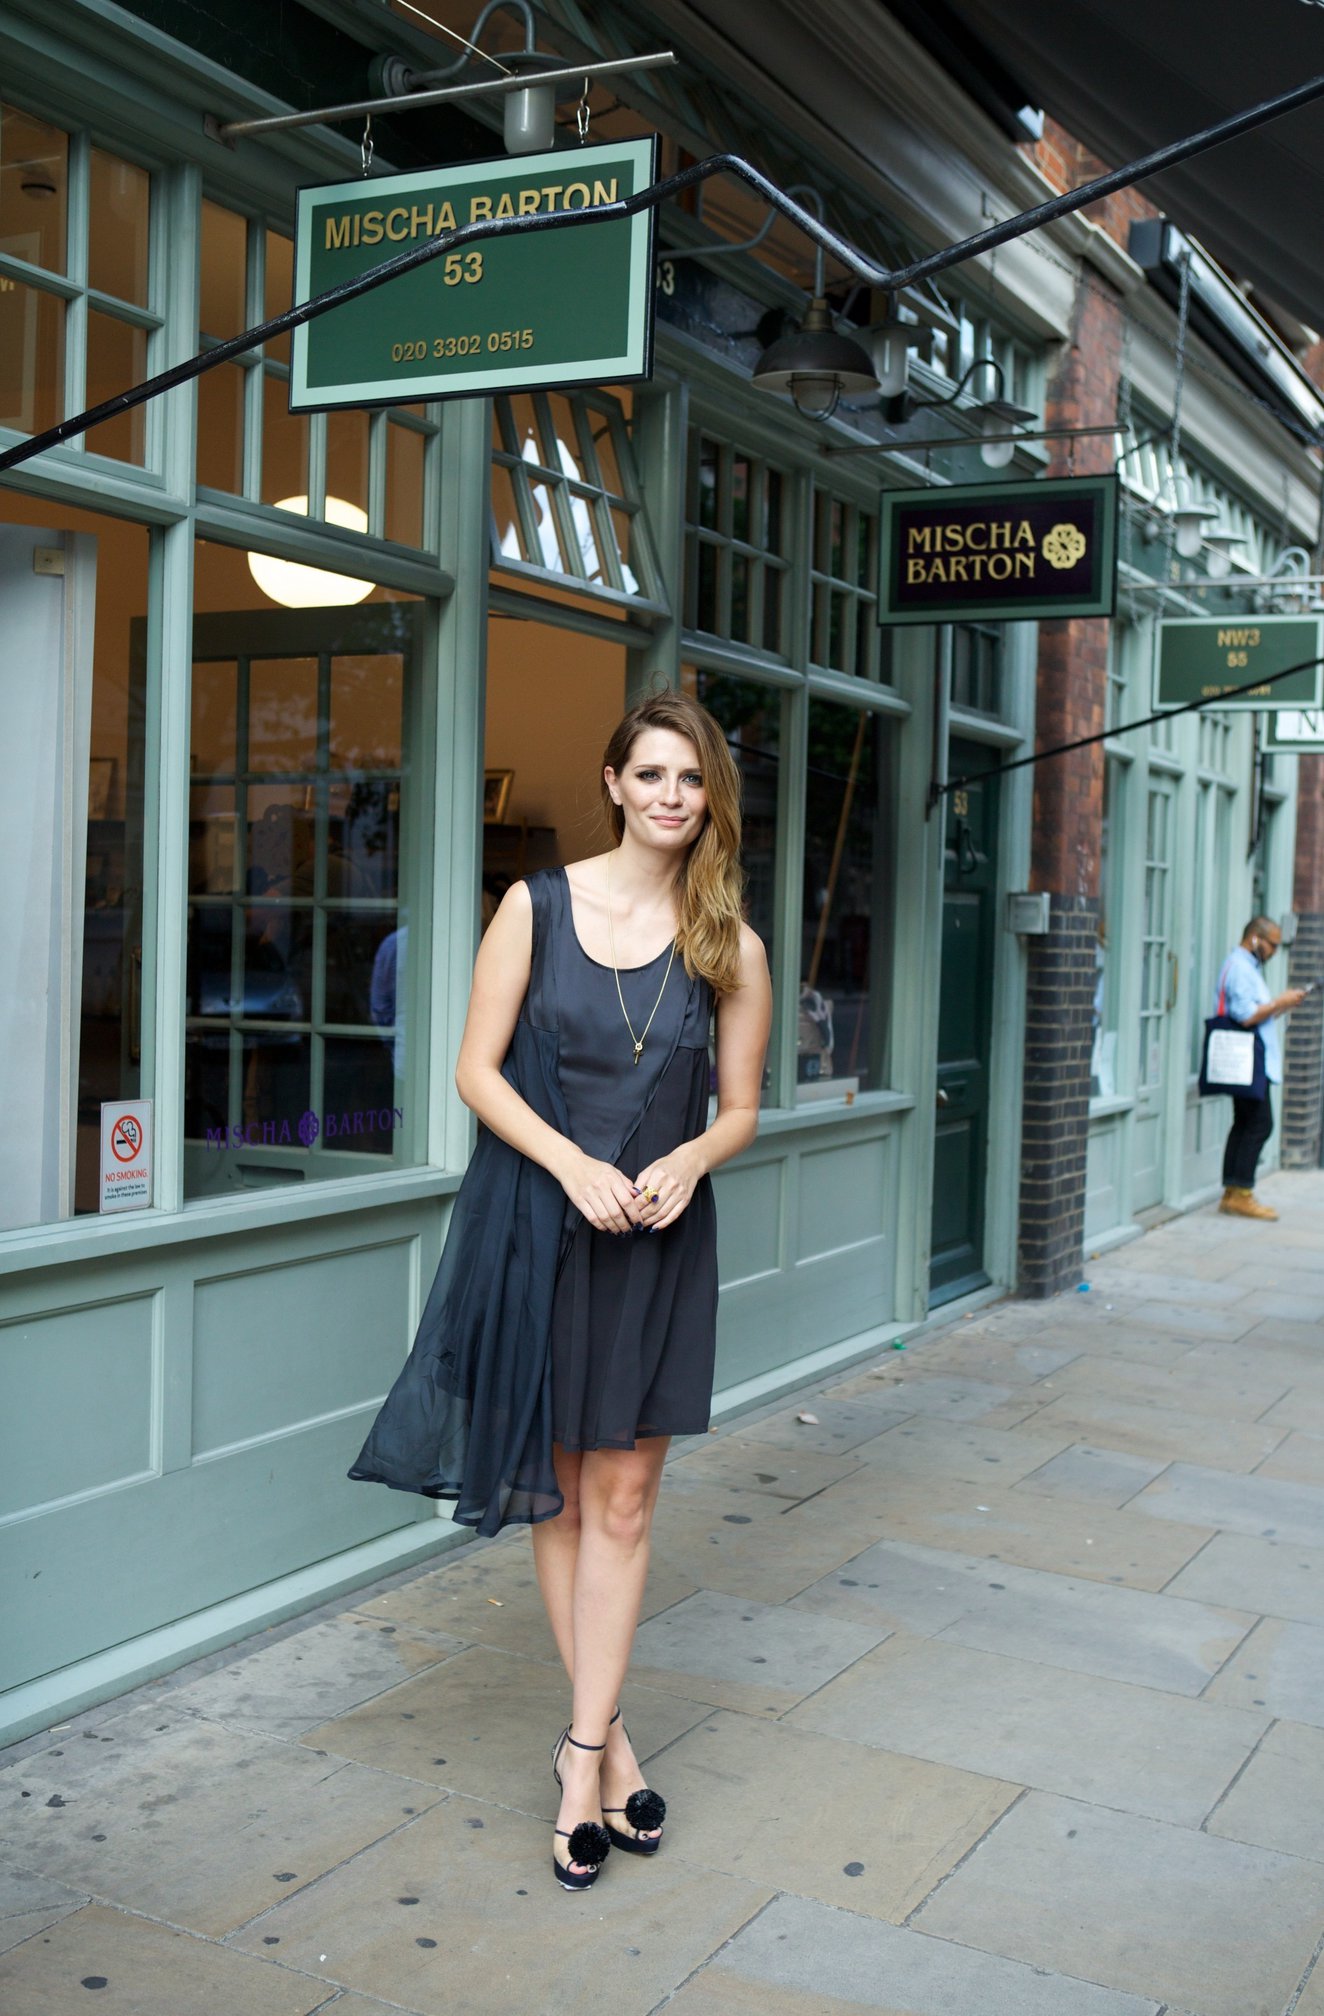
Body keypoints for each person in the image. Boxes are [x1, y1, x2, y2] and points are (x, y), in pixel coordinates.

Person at [349, 689, 772, 1892]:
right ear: (612, 782)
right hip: (544, 1229)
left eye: (689, 781)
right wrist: (575, 1165)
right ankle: (607, 1747)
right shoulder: (533, 908)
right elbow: (475, 1073)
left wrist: (690, 1159)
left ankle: (580, 1750)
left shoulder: (728, 944)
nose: (670, 798)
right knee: (561, 1501)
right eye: (650, 776)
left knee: (627, 1502)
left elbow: (739, 1108)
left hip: (658, 1245)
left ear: (709, 798)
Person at [1214, 915, 1305, 1220]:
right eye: (1273, 945)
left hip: (1253, 1057)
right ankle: (1241, 1193)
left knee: (1244, 1123)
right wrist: (1280, 1001)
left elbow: (1257, 1015)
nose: (1274, 951)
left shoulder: (1247, 967)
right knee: (1260, 1124)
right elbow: (1244, 1015)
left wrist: (1282, 1005)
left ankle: (1232, 1191)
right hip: (1248, 1059)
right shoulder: (1240, 967)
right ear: (1255, 938)